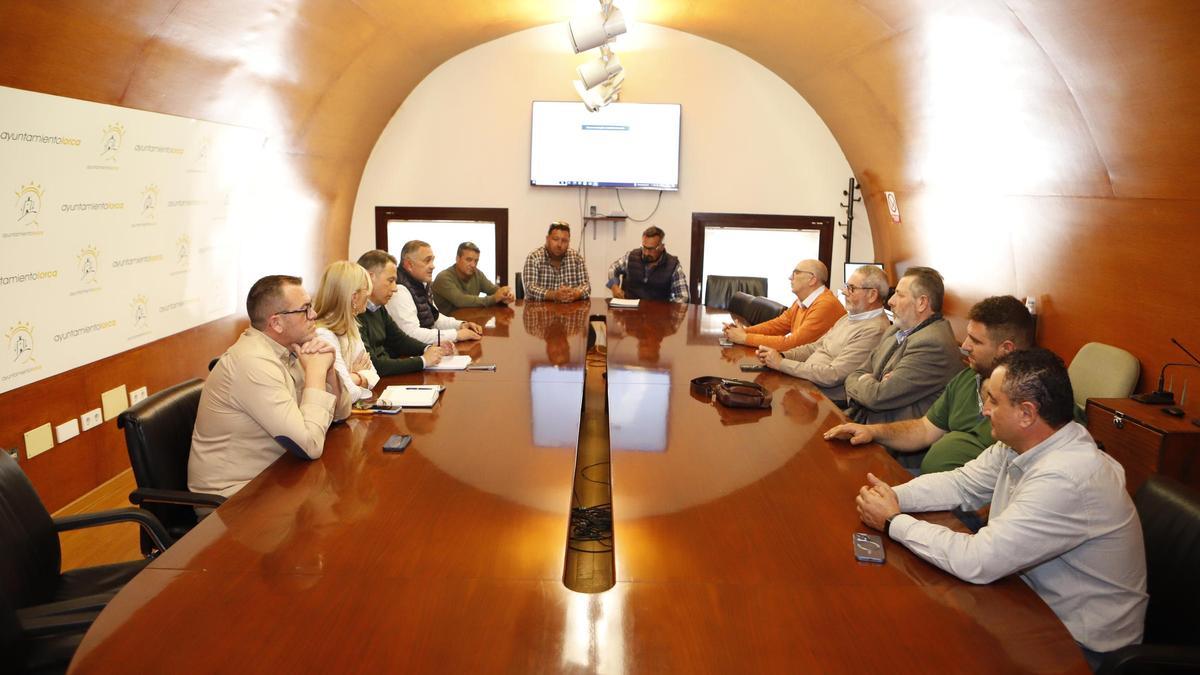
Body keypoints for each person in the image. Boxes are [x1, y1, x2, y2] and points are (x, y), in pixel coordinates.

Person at [854, 349, 1147, 666]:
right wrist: (891, 496)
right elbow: (961, 483)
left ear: (1026, 413)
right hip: (1025, 598)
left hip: (1079, 643)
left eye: (992, 400)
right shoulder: (1023, 444)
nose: (984, 411)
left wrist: (893, 522)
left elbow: (978, 560)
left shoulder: (1068, 477)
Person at [825, 295, 1035, 473]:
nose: (965, 347)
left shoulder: (1030, 402)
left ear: (1006, 348)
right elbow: (924, 429)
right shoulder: (967, 378)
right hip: (937, 489)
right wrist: (873, 432)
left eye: (976, 341)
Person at [189, 275, 353, 498]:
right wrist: (316, 373)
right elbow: (309, 446)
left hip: (279, 476)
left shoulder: (289, 348)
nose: (314, 315)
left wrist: (329, 371)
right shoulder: (253, 362)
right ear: (276, 323)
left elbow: (341, 414)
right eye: (305, 309)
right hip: (235, 502)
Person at [756, 265, 891, 405]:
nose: (844, 292)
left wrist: (782, 364)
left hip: (824, 400)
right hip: (806, 385)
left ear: (872, 295)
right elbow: (815, 347)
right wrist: (783, 356)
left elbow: (833, 375)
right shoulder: (850, 317)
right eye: (846, 286)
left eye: (851, 288)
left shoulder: (874, 330)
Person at [842, 266, 961, 424]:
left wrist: (865, 381)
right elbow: (854, 375)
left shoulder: (933, 345)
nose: (890, 302)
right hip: (864, 420)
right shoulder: (895, 330)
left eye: (899, 294)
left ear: (922, 303)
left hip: (889, 437)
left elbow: (877, 398)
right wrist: (870, 381)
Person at [356, 250, 447, 375]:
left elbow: (399, 340)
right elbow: (374, 365)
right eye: (390, 280)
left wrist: (428, 348)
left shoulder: (378, 307)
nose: (394, 288)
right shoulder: (355, 314)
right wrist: (423, 361)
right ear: (370, 277)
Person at [723, 259, 845, 350]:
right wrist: (744, 331)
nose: (790, 277)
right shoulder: (801, 302)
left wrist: (744, 338)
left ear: (812, 280)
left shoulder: (825, 305)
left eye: (796, 273)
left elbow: (792, 343)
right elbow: (778, 325)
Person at [389, 240, 484, 344]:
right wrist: (456, 335)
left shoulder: (422, 284)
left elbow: (434, 319)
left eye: (432, 260)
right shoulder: (399, 290)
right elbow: (411, 334)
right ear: (409, 265)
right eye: (427, 261)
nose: (432, 266)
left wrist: (460, 325)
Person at [312, 260, 379, 402]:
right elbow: (348, 394)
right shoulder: (323, 335)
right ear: (354, 297)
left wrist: (350, 376)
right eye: (366, 296)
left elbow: (374, 375)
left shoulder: (351, 325)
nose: (367, 303)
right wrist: (358, 376)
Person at [605, 225, 688, 303]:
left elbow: (683, 297)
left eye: (651, 249)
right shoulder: (631, 256)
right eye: (644, 247)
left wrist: (669, 314)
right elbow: (613, 268)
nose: (646, 253)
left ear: (662, 247)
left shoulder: (673, 265)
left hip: (658, 316)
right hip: (629, 313)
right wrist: (614, 286)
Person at [430, 241, 515, 315]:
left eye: (476, 261)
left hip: (471, 322)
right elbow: (460, 300)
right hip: (449, 328)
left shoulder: (477, 274)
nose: (473, 265)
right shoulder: (443, 277)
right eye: (469, 260)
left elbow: (493, 289)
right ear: (457, 258)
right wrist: (494, 298)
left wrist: (506, 295)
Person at [522, 221, 591, 302]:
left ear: (569, 242)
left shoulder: (577, 258)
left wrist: (575, 294)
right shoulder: (534, 257)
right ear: (547, 239)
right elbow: (530, 289)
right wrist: (554, 295)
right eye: (555, 239)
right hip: (541, 312)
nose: (559, 244)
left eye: (564, 241)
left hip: (569, 311)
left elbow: (586, 286)